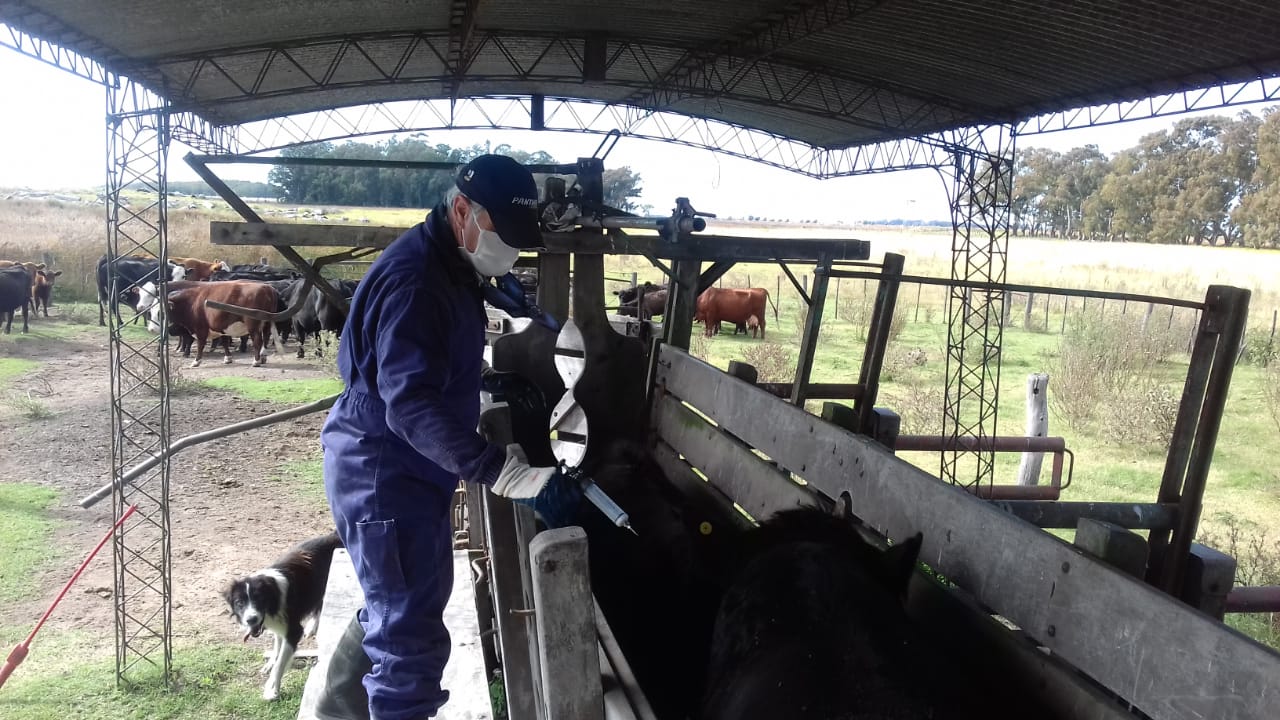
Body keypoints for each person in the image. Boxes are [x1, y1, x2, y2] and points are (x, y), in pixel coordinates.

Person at [317, 154, 582, 720]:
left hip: (409, 465)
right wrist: (498, 469)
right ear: (462, 210)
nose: (508, 251)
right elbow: (408, 403)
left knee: (396, 605)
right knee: (409, 643)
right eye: (502, 237)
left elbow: (432, 366)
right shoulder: (417, 282)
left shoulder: (449, 264)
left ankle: (334, 712)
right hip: (387, 467)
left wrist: (489, 302)